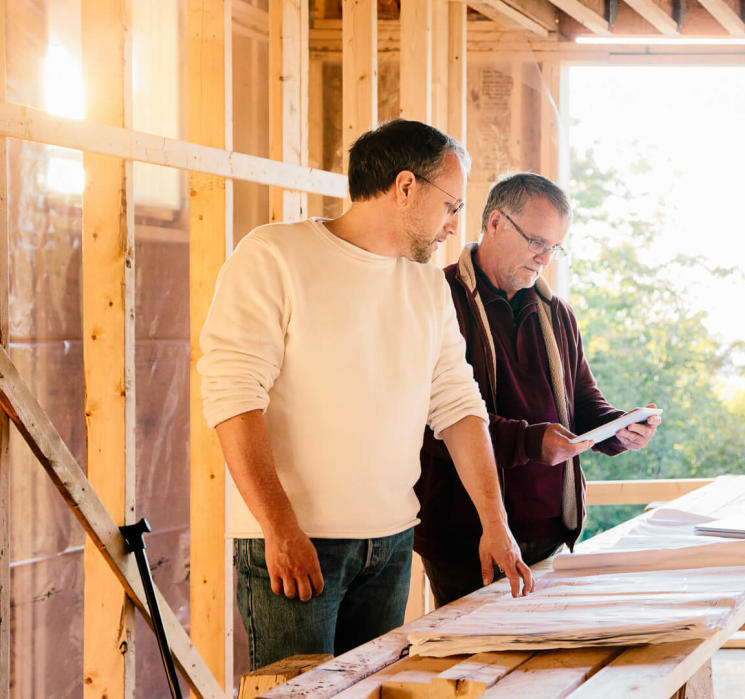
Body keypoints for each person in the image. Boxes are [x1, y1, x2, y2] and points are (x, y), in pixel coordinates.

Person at [198, 119, 532, 670]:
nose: (455, 226)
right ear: (405, 188)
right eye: (451, 205)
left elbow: (458, 405)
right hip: (296, 541)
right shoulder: (273, 256)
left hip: (394, 542)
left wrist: (494, 523)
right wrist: (279, 527)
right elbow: (232, 397)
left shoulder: (426, 284)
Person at [413, 172, 661, 607]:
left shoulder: (556, 312)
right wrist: (532, 442)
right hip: (468, 539)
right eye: (536, 241)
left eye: (554, 247)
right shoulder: (439, 299)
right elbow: (433, 420)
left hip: (552, 534)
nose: (545, 257)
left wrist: (617, 428)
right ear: (494, 223)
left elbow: (582, 403)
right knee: (475, 668)